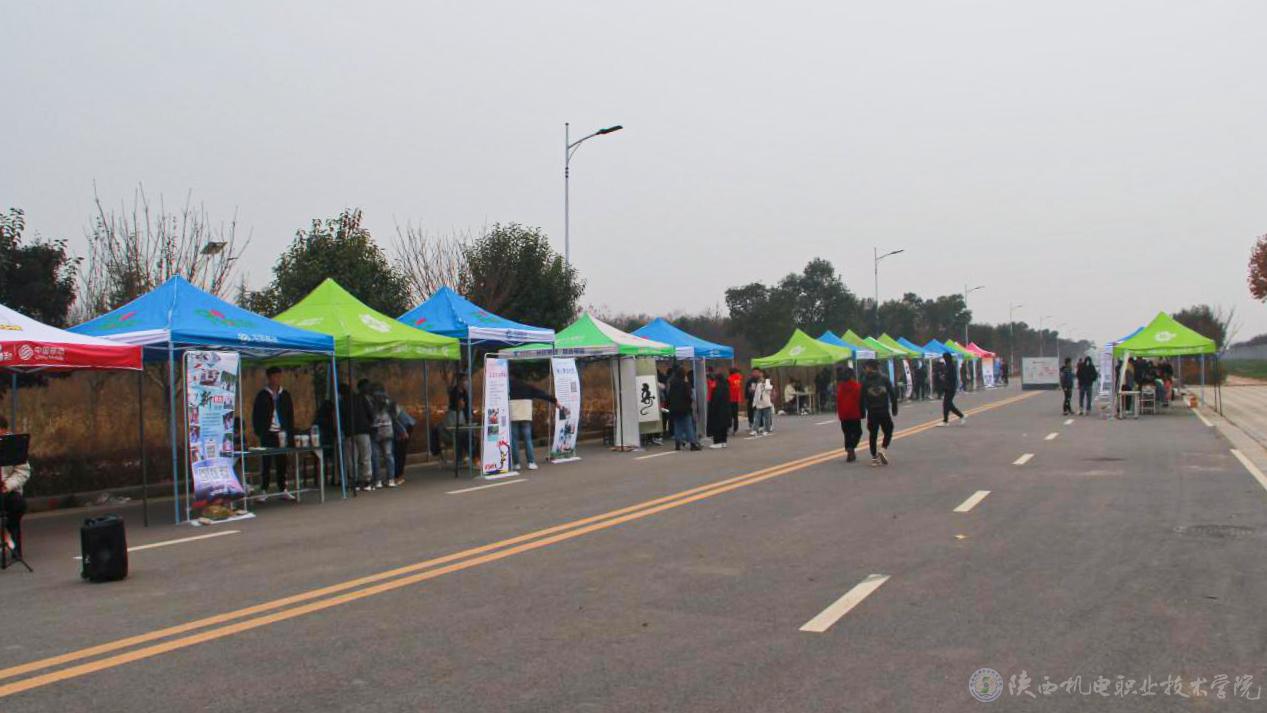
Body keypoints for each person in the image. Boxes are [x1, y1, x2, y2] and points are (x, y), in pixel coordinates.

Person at [251, 366, 296, 500]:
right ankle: (264, 490)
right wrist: (259, 431)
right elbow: (256, 415)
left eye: (279, 376)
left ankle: (283, 489)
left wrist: (290, 432)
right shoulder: (262, 395)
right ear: (269, 378)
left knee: (282, 462)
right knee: (266, 462)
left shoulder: (285, 394)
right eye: (274, 376)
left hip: (281, 433)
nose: (277, 379)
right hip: (267, 433)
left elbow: (290, 415)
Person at [509, 375, 566, 470]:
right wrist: (555, 401)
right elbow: (542, 394)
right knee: (528, 439)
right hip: (526, 416)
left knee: (514, 440)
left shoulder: (509, 386)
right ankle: (531, 462)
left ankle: (516, 464)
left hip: (513, 415)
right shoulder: (528, 387)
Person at [859, 360, 899, 466]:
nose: (865, 369)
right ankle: (883, 449)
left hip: (872, 412)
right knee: (889, 430)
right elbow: (892, 393)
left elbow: (861, 398)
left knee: (873, 434)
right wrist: (894, 407)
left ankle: (874, 458)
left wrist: (862, 412)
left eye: (866, 367)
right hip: (883, 410)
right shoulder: (884, 378)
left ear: (870, 367)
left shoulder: (864, 381)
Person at [0, 417, 29, 559]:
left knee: (19, 504)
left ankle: (9, 533)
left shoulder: (13, 444)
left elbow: (23, 471)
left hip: (7, 489)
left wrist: (7, 485)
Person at [368, 383, 398, 488]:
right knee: (388, 456)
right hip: (388, 430)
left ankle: (378, 481)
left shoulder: (371, 401)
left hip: (375, 430)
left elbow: (369, 415)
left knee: (375, 457)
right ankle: (391, 479)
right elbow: (394, 416)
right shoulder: (390, 402)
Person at [667, 366, 701, 451]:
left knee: (677, 425)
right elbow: (688, 395)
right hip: (685, 408)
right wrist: (690, 402)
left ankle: (677, 443)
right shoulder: (685, 383)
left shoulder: (672, 383)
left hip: (674, 408)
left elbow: (669, 396)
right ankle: (692, 444)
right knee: (688, 425)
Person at [835, 365, 863, 463]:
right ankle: (851, 448)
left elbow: (838, 401)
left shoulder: (840, 387)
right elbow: (861, 400)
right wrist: (863, 411)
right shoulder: (857, 386)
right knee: (858, 432)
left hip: (844, 415)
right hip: (854, 413)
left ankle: (850, 451)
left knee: (847, 434)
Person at [391, 401, 416, 485]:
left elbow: (394, 420)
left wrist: (403, 432)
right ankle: (399, 475)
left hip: (404, 425)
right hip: (407, 423)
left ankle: (398, 476)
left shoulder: (386, 406)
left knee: (399, 451)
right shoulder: (387, 402)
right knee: (400, 451)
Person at [938, 353, 965, 426]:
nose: (944, 359)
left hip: (950, 388)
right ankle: (956, 417)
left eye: (944, 358)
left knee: (947, 404)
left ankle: (947, 420)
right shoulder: (948, 366)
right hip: (948, 387)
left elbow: (952, 377)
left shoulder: (950, 366)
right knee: (948, 405)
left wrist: (944, 377)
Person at [707, 372, 731, 449]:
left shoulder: (718, 388)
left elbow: (716, 400)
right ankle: (724, 442)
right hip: (726, 410)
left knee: (717, 426)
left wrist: (711, 408)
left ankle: (717, 442)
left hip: (718, 411)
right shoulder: (726, 387)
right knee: (724, 427)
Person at [751, 368, 775, 436]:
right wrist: (754, 403)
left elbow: (769, 390)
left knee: (767, 418)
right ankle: (755, 430)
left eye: (761, 373)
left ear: (763, 374)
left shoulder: (767, 381)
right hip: (759, 403)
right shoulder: (758, 383)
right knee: (757, 417)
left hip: (766, 402)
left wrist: (764, 383)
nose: (759, 374)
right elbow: (756, 393)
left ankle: (766, 430)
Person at [745, 368, 761, 433]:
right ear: (752, 373)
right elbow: (747, 390)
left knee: (759, 412)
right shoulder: (750, 381)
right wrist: (747, 397)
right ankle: (751, 424)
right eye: (754, 372)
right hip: (751, 399)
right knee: (751, 412)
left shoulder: (761, 380)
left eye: (757, 372)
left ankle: (760, 425)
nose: (755, 373)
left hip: (760, 399)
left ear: (759, 373)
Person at [727, 367, 743, 435]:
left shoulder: (729, 379)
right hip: (737, 398)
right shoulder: (739, 378)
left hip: (730, 398)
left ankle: (730, 428)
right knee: (735, 415)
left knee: (729, 415)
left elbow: (727, 388)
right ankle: (735, 429)